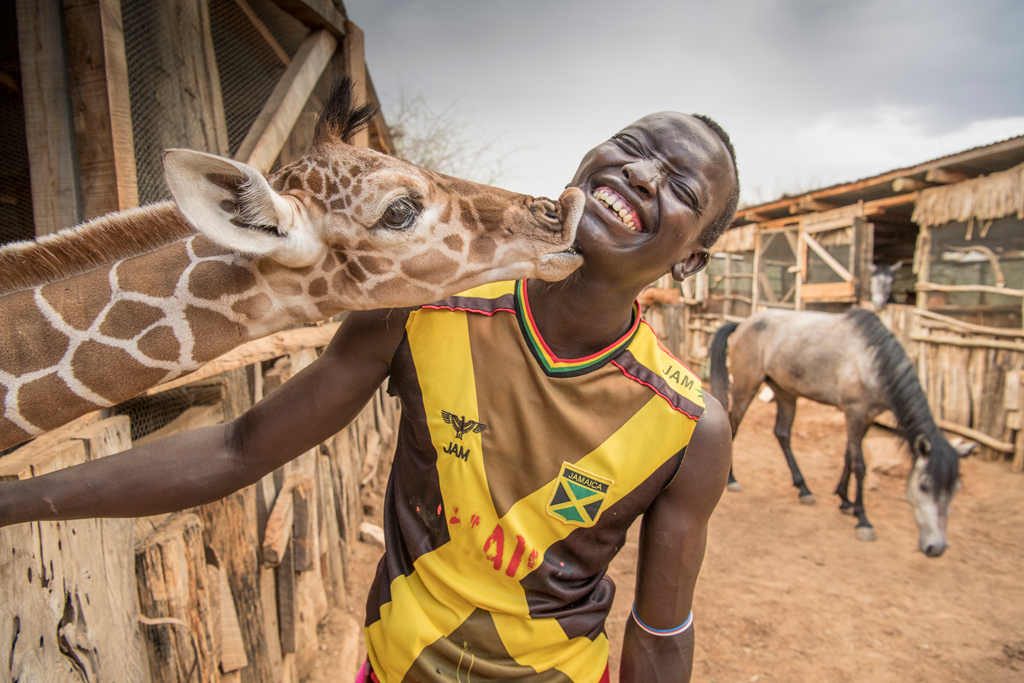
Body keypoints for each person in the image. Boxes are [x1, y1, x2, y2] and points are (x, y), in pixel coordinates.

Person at [0, 110, 739, 682]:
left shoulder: (687, 424)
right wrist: (13, 500)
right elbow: (239, 446)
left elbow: (660, 630)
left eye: (680, 186)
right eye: (634, 145)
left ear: (695, 255)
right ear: (591, 159)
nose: (645, 174)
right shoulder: (420, 308)